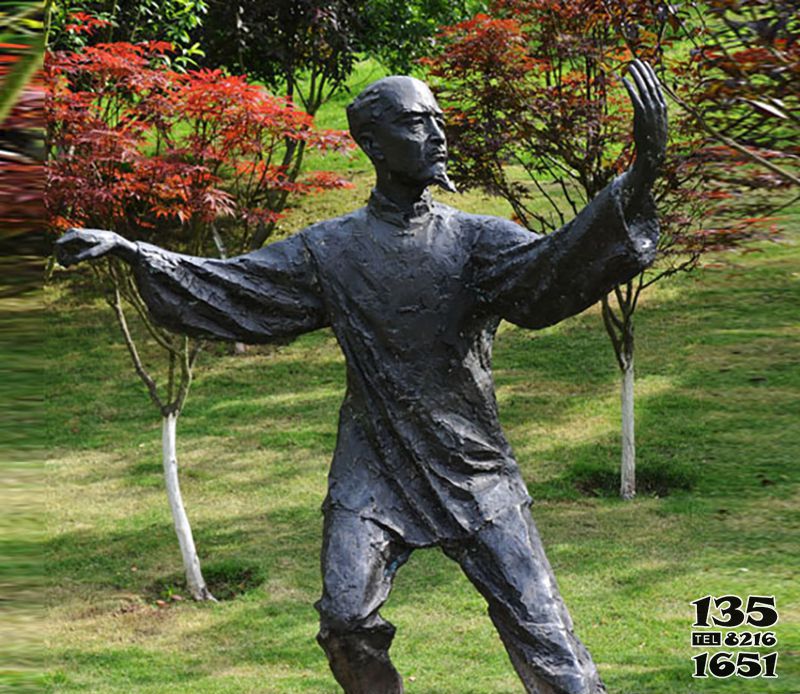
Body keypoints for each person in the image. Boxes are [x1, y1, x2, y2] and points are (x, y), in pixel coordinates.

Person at [56, 60, 667, 694]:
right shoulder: (330, 248)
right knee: (345, 620)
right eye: (414, 122)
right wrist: (136, 251)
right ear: (373, 143)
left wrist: (636, 179)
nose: (436, 135)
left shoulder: (476, 241)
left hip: (473, 466)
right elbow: (240, 286)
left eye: (438, 120)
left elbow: (552, 266)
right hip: (371, 465)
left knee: (546, 637)